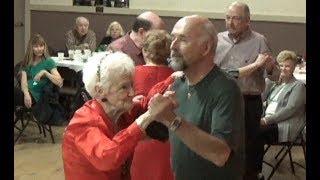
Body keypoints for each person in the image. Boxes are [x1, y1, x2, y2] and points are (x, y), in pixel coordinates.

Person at [146, 15, 245, 180]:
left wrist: (172, 120)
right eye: (173, 38)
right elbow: (165, 134)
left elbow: (220, 154)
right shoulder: (177, 86)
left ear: (206, 48)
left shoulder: (226, 89)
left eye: (182, 40)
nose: (172, 46)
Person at [62, 52, 161, 180]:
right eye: (124, 87)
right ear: (100, 91)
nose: (132, 92)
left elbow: (152, 102)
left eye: (132, 84)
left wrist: (173, 80)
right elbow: (107, 158)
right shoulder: (83, 122)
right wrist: (146, 118)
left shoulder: (120, 114)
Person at [214, 2, 280, 179]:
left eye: (236, 18)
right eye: (227, 17)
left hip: (248, 101)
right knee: (222, 141)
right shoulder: (217, 39)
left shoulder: (259, 41)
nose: (230, 22)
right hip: (221, 100)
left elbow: (274, 76)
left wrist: (270, 67)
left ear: (248, 21)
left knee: (249, 146)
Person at [130, 29, 175, 180]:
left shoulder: (133, 73)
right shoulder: (176, 75)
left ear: (144, 51)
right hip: (170, 140)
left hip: (139, 139)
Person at [258, 50, 306, 172]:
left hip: (283, 125)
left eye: (287, 66)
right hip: (269, 121)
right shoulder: (276, 85)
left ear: (294, 67)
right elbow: (263, 99)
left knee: (254, 134)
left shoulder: (298, 86)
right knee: (248, 129)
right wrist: (271, 81)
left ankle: (254, 171)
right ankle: (251, 166)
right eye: (281, 65)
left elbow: (289, 110)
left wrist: (266, 120)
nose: (284, 69)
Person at [14, 34, 64, 124]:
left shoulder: (48, 62)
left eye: (41, 46)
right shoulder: (27, 62)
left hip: (37, 98)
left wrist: (45, 73)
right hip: (26, 95)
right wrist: (26, 94)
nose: (39, 49)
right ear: (31, 48)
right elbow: (24, 82)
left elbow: (60, 82)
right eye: (36, 46)